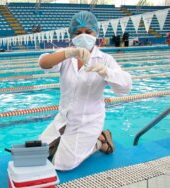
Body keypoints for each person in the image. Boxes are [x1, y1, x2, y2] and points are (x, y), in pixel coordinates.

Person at [38, 11, 132, 171]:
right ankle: (93, 139)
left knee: (62, 164)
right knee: (40, 152)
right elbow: (43, 63)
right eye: (78, 32)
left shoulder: (105, 60)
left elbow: (125, 87)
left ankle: (100, 141)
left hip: (88, 122)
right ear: (72, 35)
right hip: (63, 119)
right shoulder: (66, 56)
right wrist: (69, 53)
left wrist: (106, 72)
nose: (83, 36)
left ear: (96, 34)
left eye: (88, 32)